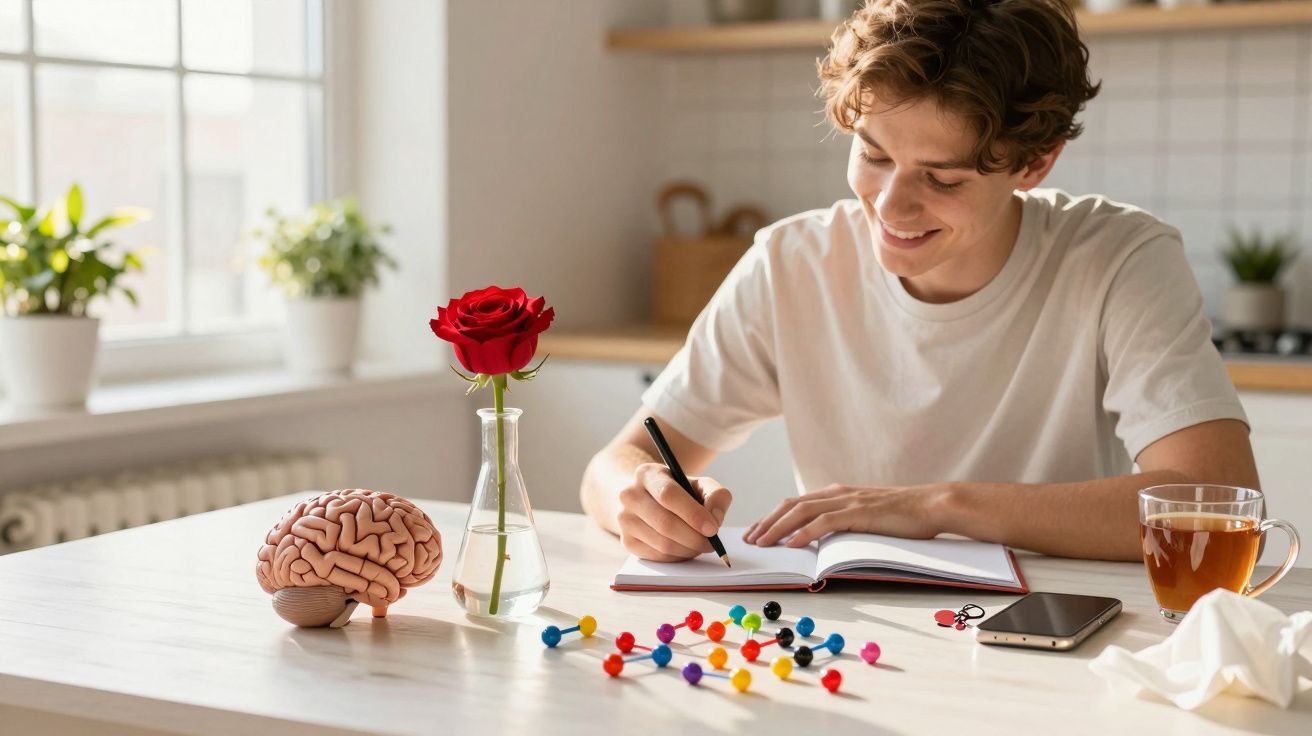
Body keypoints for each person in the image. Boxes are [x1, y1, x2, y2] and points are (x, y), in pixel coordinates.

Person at [579, 0, 1256, 563]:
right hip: (854, 638)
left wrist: (939, 505)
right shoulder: (793, 262)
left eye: (943, 178)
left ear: (1036, 162)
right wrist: (637, 496)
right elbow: (619, 460)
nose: (891, 205)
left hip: (1059, 631)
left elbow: (1215, 501)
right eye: (873, 154)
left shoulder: (1117, 258)